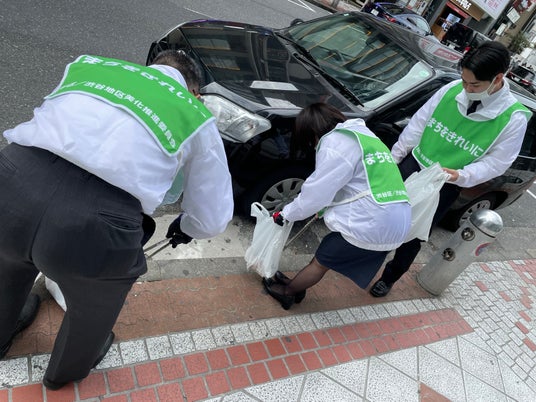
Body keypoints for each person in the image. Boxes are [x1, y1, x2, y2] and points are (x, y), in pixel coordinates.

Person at [0, 50, 233, 389]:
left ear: (149, 67)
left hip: (11, 178)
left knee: (5, 264)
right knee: (94, 306)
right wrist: (185, 227)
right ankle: (62, 373)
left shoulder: (89, 66)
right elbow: (212, 216)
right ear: (193, 91)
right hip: (96, 222)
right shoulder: (195, 113)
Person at [369, 41, 531, 297]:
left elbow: (498, 162)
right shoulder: (452, 89)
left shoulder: (513, 117)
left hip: (445, 182)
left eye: (474, 85)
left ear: (498, 79)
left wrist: (463, 176)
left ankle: (389, 277)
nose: (466, 89)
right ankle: (366, 262)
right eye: (464, 81)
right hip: (414, 164)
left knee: (415, 235)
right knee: (385, 216)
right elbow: (419, 123)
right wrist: (395, 157)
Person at [262, 103, 411, 310]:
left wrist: (286, 214)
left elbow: (315, 194)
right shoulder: (364, 136)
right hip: (397, 216)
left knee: (322, 260)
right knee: (326, 254)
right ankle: (297, 284)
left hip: (375, 222)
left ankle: (289, 292)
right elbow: (352, 183)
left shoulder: (335, 144)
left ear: (311, 133)